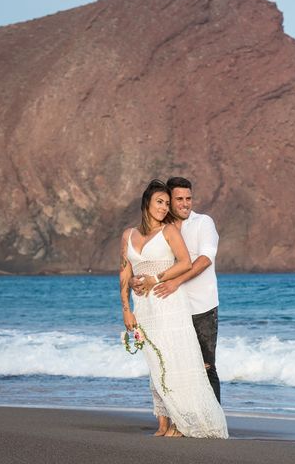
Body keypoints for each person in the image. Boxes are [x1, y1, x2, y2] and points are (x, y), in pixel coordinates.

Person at [120, 179, 228, 439]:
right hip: (149, 305)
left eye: (185, 199)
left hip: (193, 304)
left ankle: (197, 419)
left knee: (198, 365)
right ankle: (165, 422)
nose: (181, 204)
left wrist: (163, 281)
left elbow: (198, 261)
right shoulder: (135, 233)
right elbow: (126, 270)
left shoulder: (200, 224)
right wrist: (127, 305)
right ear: (148, 202)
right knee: (157, 362)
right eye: (171, 200)